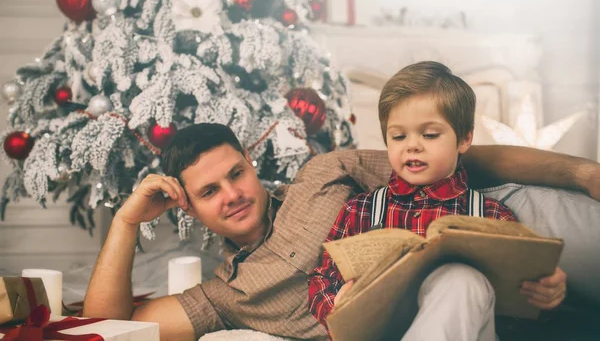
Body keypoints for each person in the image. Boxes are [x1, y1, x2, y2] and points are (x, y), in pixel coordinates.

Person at [83, 119, 600, 341]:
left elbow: (463, 162)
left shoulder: (324, 173)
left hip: (508, 214)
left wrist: (581, 173)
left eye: (236, 174)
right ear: (190, 208)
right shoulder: (230, 295)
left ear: (251, 163)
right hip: (463, 287)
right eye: (210, 191)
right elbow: (106, 327)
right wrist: (127, 220)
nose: (233, 194)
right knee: (460, 284)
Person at [307, 62, 566, 340]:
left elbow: (518, 310)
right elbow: (321, 280)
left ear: (465, 138)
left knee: (461, 280)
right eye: (398, 136)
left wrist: (546, 294)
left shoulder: (492, 216)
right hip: (381, 330)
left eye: (430, 135)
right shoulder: (360, 210)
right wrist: (337, 303)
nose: (412, 145)